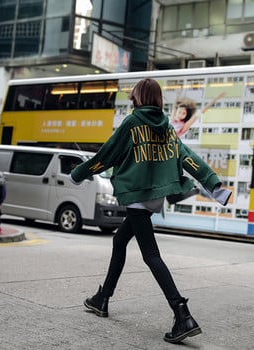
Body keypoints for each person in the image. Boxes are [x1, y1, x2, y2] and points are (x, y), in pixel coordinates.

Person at [69, 78, 231, 344]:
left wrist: (78, 174)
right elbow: (187, 157)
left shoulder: (133, 123)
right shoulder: (166, 127)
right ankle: (103, 298)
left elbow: (108, 154)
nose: (132, 99)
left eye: (134, 96)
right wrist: (212, 183)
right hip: (154, 197)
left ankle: (182, 314)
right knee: (120, 240)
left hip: (137, 196)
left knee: (151, 255)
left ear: (139, 97)